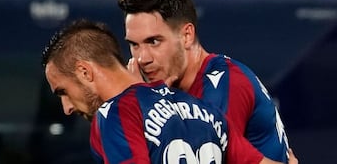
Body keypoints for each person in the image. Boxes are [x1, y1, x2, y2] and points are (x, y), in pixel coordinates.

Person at [41, 19, 297, 164]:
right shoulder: (203, 109)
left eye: (63, 91)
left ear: (85, 72)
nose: (66, 107)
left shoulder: (113, 114)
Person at [118, 0, 291, 162]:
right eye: (134, 45)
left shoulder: (227, 84)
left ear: (187, 36)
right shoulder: (158, 90)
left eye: (154, 41)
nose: (143, 58)